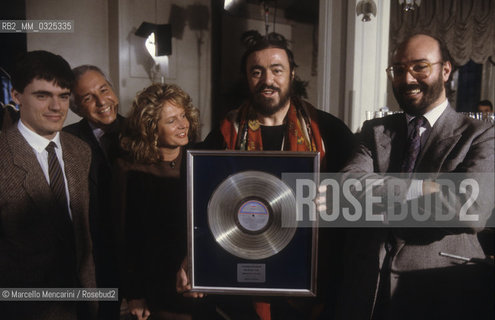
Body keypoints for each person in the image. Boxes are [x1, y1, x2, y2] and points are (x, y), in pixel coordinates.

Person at [177, 31, 355, 320]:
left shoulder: (328, 130)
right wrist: (192, 254)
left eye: (277, 70)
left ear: (292, 74)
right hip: (241, 275)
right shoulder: (225, 132)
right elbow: (202, 202)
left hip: (311, 277)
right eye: (257, 72)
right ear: (247, 77)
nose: (267, 80)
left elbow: (356, 191)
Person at [337, 34, 494, 320]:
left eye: (420, 67)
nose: (407, 78)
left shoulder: (481, 134)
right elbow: (347, 186)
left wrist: (378, 195)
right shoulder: (374, 131)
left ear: (445, 70)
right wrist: (428, 188)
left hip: (440, 290)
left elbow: (470, 210)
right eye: (398, 70)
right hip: (367, 292)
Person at [0, 50, 97, 319]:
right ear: (16, 96)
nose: (56, 107)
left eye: (63, 96)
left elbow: (82, 236)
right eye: (43, 95)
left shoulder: (80, 150)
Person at [118, 83, 212, 320]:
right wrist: (134, 293)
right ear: (151, 128)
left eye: (183, 115)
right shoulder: (128, 169)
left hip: (200, 282)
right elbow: (123, 236)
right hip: (156, 286)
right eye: (171, 120)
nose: (183, 124)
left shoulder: (201, 159)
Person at [63, 65, 123, 320]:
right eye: (88, 98)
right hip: (93, 257)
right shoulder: (66, 140)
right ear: (76, 108)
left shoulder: (143, 130)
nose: (102, 102)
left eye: (104, 90)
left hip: (138, 252)